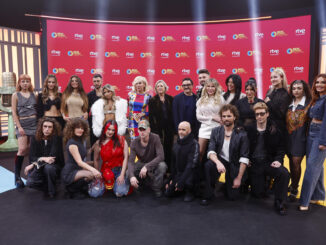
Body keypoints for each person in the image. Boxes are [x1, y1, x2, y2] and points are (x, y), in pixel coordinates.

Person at [246, 102, 290, 215]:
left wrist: (278, 160)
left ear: (267, 114)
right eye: (257, 114)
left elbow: (281, 148)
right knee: (258, 194)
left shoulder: (274, 129)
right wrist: (246, 159)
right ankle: (263, 185)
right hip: (253, 163)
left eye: (262, 114)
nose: (259, 117)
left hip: (268, 162)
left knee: (284, 173)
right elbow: (243, 146)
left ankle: (280, 202)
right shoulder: (249, 129)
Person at [200, 104, 249, 205]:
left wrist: (238, 178)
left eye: (229, 116)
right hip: (220, 159)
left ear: (234, 117)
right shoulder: (215, 131)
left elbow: (244, 157)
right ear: (221, 118)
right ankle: (208, 195)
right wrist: (218, 162)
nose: (226, 118)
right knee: (209, 165)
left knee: (232, 196)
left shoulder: (242, 134)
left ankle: (225, 185)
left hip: (234, 162)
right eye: (224, 116)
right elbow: (211, 151)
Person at [299, 74, 326, 211]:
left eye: (323, 82)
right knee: (317, 166)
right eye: (317, 82)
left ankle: (304, 202)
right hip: (311, 133)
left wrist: (323, 141)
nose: (319, 85)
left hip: (321, 134)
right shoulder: (316, 99)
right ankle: (318, 195)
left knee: (310, 167)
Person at [61, 118, 101, 198]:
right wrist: (94, 170)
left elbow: (85, 153)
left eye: (82, 128)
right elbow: (79, 162)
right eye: (78, 128)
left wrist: (94, 145)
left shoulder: (79, 140)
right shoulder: (72, 144)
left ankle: (79, 187)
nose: (80, 130)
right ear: (72, 129)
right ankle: (71, 189)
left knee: (93, 164)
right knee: (92, 174)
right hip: (70, 172)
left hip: (77, 168)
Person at [24, 117, 64, 198]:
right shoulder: (35, 138)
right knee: (30, 183)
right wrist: (43, 158)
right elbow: (32, 157)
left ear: (53, 129)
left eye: (50, 127)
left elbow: (52, 158)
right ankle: (47, 184)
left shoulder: (57, 138)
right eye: (45, 126)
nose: (47, 129)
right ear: (41, 127)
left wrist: (34, 164)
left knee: (48, 168)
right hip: (39, 165)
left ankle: (52, 192)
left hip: (54, 166)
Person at [127, 120, 167, 198]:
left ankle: (156, 188)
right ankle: (138, 186)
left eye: (144, 129)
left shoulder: (155, 137)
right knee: (128, 172)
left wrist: (146, 167)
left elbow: (161, 156)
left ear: (149, 130)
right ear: (138, 130)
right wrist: (131, 176)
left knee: (162, 166)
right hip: (141, 162)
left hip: (153, 162)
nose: (142, 132)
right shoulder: (134, 142)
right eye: (140, 130)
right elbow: (131, 162)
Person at [286, 80, 312, 201]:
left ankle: (295, 187)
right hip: (289, 137)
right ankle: (292, 183)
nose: (296, 90)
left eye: (299, 88)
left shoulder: (309, 103)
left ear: (304, 89)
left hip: (301, 138)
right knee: (291, 162)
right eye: (294, 88)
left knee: (296, 163)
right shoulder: (289, 102)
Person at [12, 74, 37, 188]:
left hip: (34, 124)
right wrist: (19, 127)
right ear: (19, 83)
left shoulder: (34, 95)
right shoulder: (15, 95)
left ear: (30, 83)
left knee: (33, 150)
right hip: (22, 124)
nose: (25, 83)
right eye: (23, 81)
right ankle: (17, 177)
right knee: (22, 150)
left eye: (27, 81)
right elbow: (14, 112)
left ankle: (32, 175)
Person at [94, 120, 130, 197]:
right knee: (94, 193)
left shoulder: (121, 139)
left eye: (113, 130)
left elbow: (126, 157)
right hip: (105, 171)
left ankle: (118, 184)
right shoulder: (98, 143)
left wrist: (122, 175)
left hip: (119, 170)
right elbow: (96, 160)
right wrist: (97, 176)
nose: (110, 132)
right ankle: (108, 183)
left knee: (120, 192)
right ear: (104, 129)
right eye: (108, 129)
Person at [165, 121, 199, 202]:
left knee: (188, 181)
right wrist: (170, 179)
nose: (181, 132)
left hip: (190, 173)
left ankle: (189, 191)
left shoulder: (194, 144)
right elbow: (173, 164)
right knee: (168, 193)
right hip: (179, 173)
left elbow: (190, 165)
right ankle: (180, 188)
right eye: (179, 129)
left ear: (189, 130)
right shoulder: (176, 143)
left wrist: (181, 181)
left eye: (183, 130)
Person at [196, 78, 225, 163]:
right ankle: (197, 174)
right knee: (200, 153)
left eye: (213, 86)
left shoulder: (221, 99)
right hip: (204, 128)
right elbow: (198, 116)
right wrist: (212, 118)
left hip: (217, 128)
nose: (210, 88)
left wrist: (220, 120)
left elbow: (224, 114)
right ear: (205, 87)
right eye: (208, 86)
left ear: (216, 88)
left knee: (216, 154)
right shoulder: (200, 100)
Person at [148, 80, 174, 172]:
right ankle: (160, 168)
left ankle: (169, 168)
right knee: (159, 147)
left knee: (169, 146)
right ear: (155, 89)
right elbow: (151, 116)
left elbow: (173, 114)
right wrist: (153, 129)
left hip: (169, 127)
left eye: (161, 86)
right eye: (158, 86)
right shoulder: (152, 100)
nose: (160, 87)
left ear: (165, 88)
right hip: (157, 127)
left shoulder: (171, 98)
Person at [264, 68, 291, 137]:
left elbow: (281, 114)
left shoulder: (285, 94)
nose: (273, 79)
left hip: (278, 129)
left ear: (282, 78)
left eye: (275, 77)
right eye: (271, 77)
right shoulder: (269, 91)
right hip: (267, 126)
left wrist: (269, 103)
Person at [87, 74, 103, 158]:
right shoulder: (89, 95)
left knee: (106, 143)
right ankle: (93, 164)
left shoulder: (107, 93)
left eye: (98, 81)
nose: (96, 83)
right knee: (93, 143)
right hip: (93, 122)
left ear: (101, 81)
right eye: (94, 81)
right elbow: (86, 110)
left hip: (105, 121)